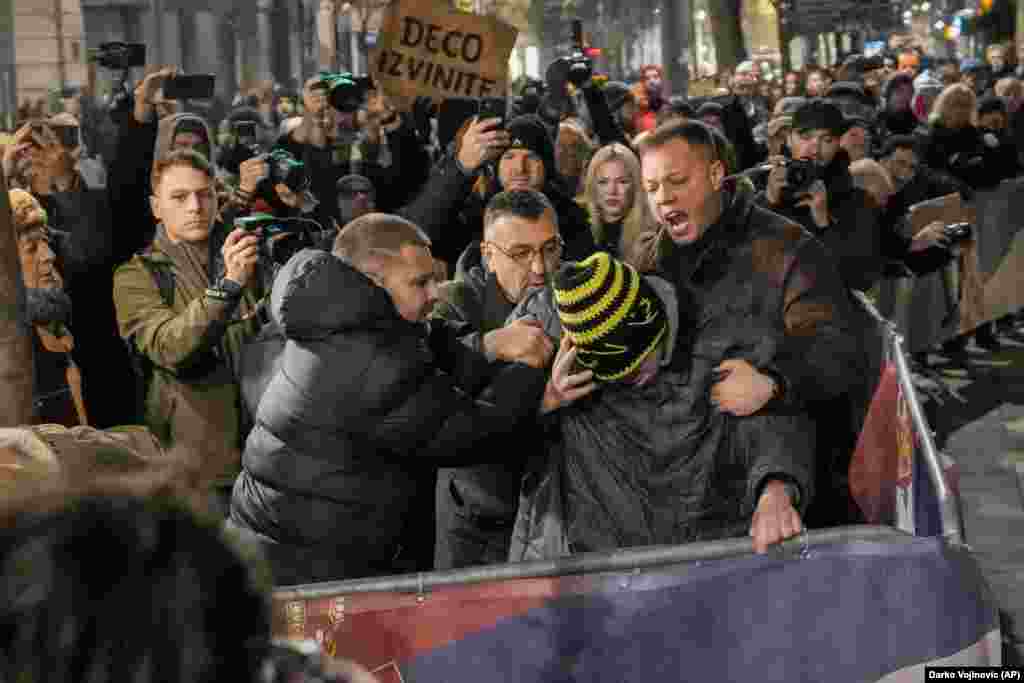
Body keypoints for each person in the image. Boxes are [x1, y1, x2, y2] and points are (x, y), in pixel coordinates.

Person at [228, 213, 577, 584]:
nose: (434, 294)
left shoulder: (341, 316)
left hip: (282, 544)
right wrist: (537, 386)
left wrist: (491, 345)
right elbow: (469, 434)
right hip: (302, 568)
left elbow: (426, 347)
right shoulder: (369, 357)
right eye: (420, 283)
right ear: (373, 283)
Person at [636, 120, 866, 530]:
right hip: (678, 487)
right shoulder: (649, 260)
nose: (664, 197)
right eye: (651, 188)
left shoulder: (789, 249)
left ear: (715, 174)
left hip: (776, 494)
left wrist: (773, 383)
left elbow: (839, 353)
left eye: (676, 181)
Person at [114, 150, 265, 514]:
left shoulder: (246, 256)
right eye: (179, 198)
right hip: (199, 469)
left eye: (205, 194)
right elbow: (171, 347)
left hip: (267, 456)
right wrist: (228, 287)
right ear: (156, 207)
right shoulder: (136, 276)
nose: (195, 206)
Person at [431, 191, 563, 570]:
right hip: (478, 514)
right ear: (488, 255)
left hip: (555, 508)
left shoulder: (575, 289)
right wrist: (492, 348)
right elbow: (440, 400)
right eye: (521, 254)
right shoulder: (453, 304)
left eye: (550, 249)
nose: (540, 268)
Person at [760, 100, 884, 292]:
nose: (814, 149)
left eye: (826, 140)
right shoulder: (759, 189)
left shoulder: (859, 203)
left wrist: (824, 224)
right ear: (789, 138)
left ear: (838, 144)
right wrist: (767, 203)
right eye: (805, 137)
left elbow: (861, 279)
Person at [9, 189, 87, 426]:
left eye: (46, 243)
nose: (49, 255)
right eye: (32, 248)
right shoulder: (9, 344)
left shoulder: (68, 314)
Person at [580, 143, 657, 268]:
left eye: (622, 182)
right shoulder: (578, 225)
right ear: (593, 186)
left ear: (636, 186)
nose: (612, 191)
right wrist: (632, 265)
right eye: (603, 182)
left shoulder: (649, 234)